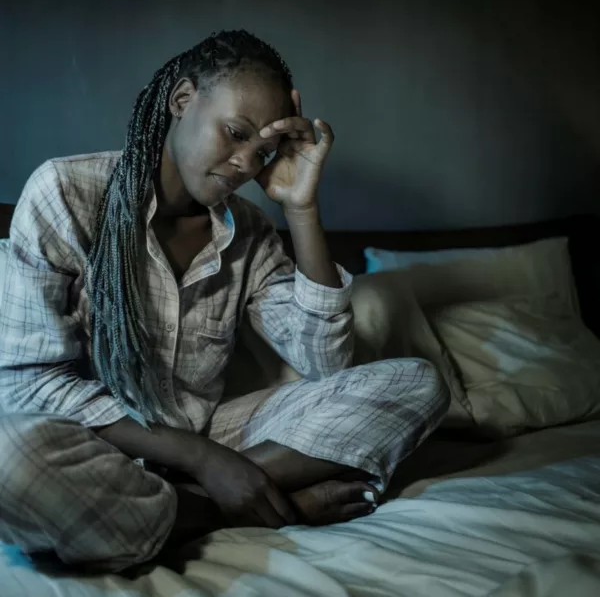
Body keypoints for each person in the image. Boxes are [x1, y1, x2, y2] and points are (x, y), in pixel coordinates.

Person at [0, 30, 449, 573]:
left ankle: (183, 506)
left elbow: (327, 364)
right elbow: (31, 385)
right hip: (97, 444)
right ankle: (224, 506)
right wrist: (203, 460)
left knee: (417, 382)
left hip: (216, 434)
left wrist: (300, 209)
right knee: (7, 455)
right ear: (182, 100)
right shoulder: (65, 194)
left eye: (262, 153)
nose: (244, 164)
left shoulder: (253, 232)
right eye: (234, 133)